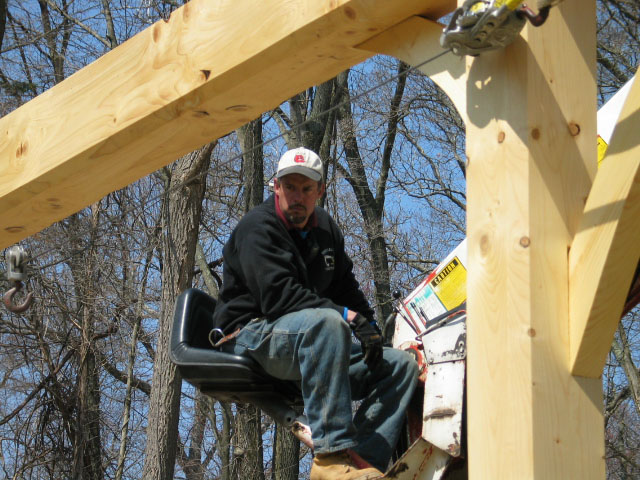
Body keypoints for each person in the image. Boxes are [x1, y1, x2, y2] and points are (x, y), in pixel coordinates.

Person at [212, 147, 418, 480]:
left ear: (320, 190)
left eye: (306, 188)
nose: (298, 197)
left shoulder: (325, 229)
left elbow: (345, 287)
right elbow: (279, 298)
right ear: (276, 187)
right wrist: (348, 317)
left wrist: (371, 330)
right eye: (290, 187)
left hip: (309, 342)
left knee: (400, 365)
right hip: (250, 335)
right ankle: (330, 459)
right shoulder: (258, 228)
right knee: (328, 322)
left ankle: (361, 466)